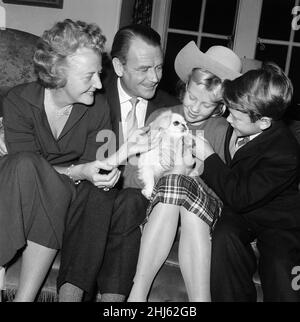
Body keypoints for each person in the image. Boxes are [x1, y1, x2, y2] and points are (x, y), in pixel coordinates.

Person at [0, 19, 151, 302]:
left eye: (99, 73)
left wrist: (106, 167)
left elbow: (95, 170)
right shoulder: (18, 101)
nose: (98, 83)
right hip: (20, 189)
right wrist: (80, 169)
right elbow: (26, 164)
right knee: (23, 166)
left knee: (60, 186)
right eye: (88, 76)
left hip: (67, 197)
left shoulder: (98, 108)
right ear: (58, 74)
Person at [57, 24, 179, 302]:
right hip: (92, 194)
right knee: (96, 193)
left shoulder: (170, 108)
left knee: (131, 201)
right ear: (118, 66)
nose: (155, 77)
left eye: (159, 67)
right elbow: (74, 158)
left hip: (138, 199)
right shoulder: (91, 97)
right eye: (144, 69)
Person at [127, 41, 242, 302]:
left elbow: (227, 189)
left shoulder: (223, 132)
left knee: (180, 179)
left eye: (205, 104)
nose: (194, 107)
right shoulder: (162, 116)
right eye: (191, 96)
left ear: (221, 106)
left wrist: (196, 171)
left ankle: (137, 296)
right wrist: (161, 172)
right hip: (160, 205)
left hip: (202, 212)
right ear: (185, 87)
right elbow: (133, 176)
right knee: (174, 179)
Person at [194, 62, 300, 302]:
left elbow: (240, 196)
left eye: (236, 117)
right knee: (224, 236)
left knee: (280, 264)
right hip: (241, 214)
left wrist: (208, 156)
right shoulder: (239, 122)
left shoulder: (286, 153)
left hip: (278, 220)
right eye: (229, 110)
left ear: (263, 122)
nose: (228, 119)